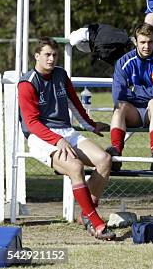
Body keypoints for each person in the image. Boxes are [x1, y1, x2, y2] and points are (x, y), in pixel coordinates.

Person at [18, 38, 115, 240]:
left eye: (54, 55)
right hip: (41, 137)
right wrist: (56, 140)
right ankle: (96, 223)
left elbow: (74, 103)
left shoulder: (61, 74)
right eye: (47, 54)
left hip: (66, 132)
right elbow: (31, 123)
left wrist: (91, 124)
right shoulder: (27, 84)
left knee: (104, 160)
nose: (51, 59)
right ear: (36, 56)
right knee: (75, 167)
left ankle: (87, 213)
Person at [108, 23, 153, 171]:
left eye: (150, 42)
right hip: (132, 113)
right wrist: (150, 91)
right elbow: (118, 95)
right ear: (135, 41)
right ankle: (116, 152)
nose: (146, 46)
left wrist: (134, 90)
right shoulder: (124, 62)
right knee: (120, 106)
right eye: (142, 42)